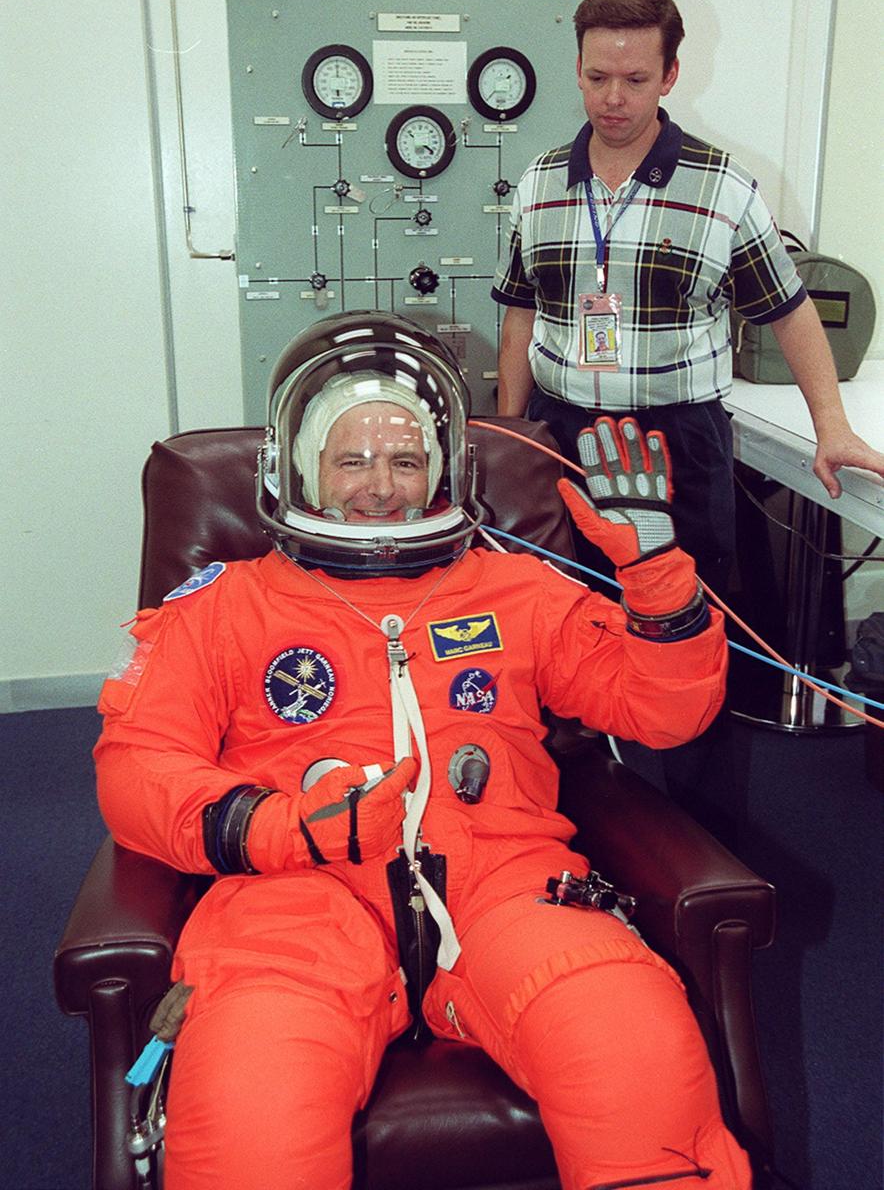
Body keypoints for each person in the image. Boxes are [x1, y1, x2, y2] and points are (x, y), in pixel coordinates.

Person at [95, 310, 751, 1190]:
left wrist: (658, 576)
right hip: (295, 898)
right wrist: (282, 830)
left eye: (405, 460)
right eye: (352, 459)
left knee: (631, 1045)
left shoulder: (518, 587)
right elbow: (138, 766)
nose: (381, 487)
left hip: (508, 887)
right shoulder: (223, 608)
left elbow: (663, 711)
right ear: (299, 469)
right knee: (250, 1103)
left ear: (443, 472)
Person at [491, 0, 884, 832]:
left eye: (634, 79)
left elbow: (791, 312)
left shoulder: (722, 188)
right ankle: (568, 816)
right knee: (558, 618)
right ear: (580, 69)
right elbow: (519, 314)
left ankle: (683, 828)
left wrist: (834, 428)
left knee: (680, 628)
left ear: (671, 75)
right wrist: (510, 433)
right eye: (598, 77)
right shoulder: (538, 183)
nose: (614, 98)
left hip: (678, 443)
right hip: (561, 432)